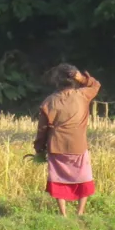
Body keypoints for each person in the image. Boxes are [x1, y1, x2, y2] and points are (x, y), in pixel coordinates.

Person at [33, 65, 101, 217]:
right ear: (73, 80)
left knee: (58, 179)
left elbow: (42, 129)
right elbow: (96, 85)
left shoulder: (48, 102)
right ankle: (80, 212)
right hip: (79, 145)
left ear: (56, 82)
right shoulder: (83, 95)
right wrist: (82, 78)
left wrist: (39, 148)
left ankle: (63, 214)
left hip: (56, 146)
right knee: (84, 177)